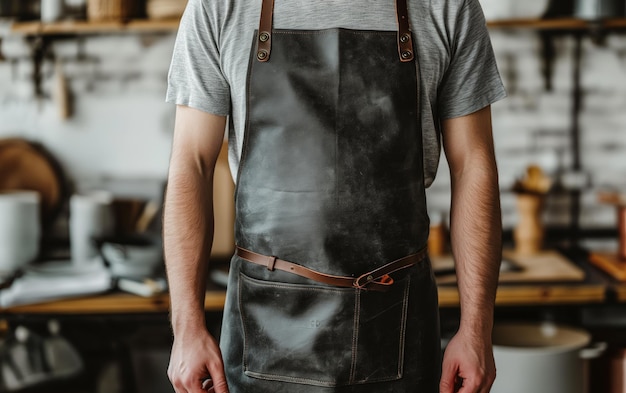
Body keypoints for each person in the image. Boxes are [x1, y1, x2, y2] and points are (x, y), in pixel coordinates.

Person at [163, 0, 506, 392]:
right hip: (264, 326)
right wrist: (187, 327)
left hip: (395, 323)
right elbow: (192, 163)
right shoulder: (220, 5)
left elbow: (473, 166)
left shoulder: (447, 5)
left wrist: (476, 328)